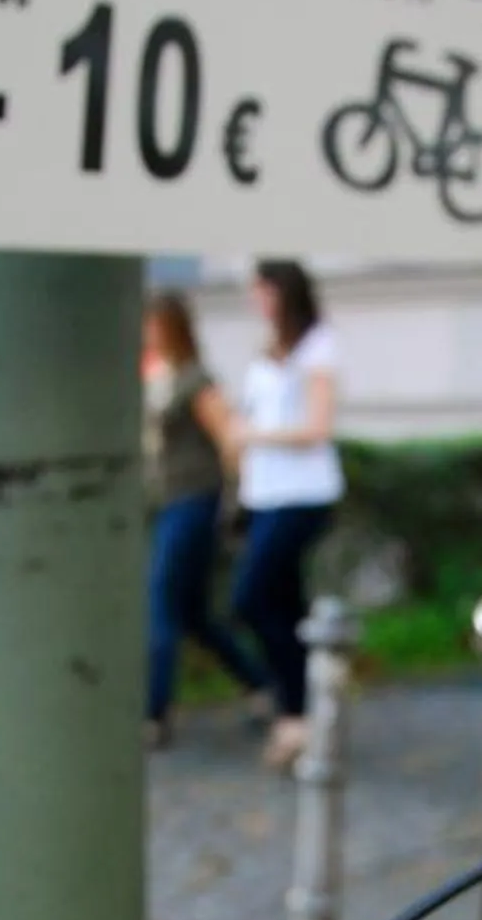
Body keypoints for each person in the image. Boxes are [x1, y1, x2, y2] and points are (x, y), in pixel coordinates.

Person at [228, 261, 343, 770]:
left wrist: (253, 436)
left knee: (253, 597)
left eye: (262, 290)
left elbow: (317, 426)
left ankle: (295, 707)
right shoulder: (267, 351)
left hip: (302, 493)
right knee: (283, 604)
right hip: (266, 493)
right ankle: (302, 706)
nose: (255, 300)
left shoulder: (317, 346)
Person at [142, 288, 264, 747]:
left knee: (162, 602)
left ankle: (154, 712)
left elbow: (228, 437)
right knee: (193, 614)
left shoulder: (196, 380)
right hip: (171, 500)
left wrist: (238, 502)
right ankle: (258, 682)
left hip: (194, 502)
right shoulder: (162, 375)